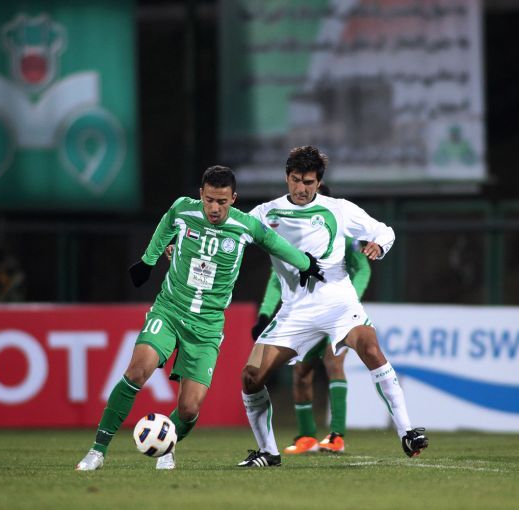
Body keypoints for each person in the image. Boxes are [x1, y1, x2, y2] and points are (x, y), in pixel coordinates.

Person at [75, 165, 324, 471]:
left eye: (222, 201)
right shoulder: (184, 209)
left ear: (233, 199)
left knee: (189, 408)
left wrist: (305, 264)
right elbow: (166, 224)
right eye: (209, 200)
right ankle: (97, 451)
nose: (214, 208)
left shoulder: (245, 226)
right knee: (137, 371)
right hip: (170, 310)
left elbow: (275, 243)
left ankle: (167, 445)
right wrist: (148, 261)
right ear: (201, 194)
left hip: (207, 326)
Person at [238, 146, 428, 468]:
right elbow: (230, 235)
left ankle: (407, 432)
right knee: (250, 376)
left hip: (338, 303)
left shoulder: (338, 209)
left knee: (370, 347)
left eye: (308, 182)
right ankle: (268, 452)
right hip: (294, 311)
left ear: (318, 181)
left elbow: (385, 231)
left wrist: (378, 244)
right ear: (286, 177)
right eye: (295, 179)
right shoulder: (265, 213)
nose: (301, 188)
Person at [251, 184, 371, 455]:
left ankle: (337, 436)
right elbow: (277, 279)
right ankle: (307, 437)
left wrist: (349, 303)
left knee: (333, 362)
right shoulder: (290, 236)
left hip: (336, 311)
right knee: (301, 371)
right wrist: (264, 314)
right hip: (304, 313)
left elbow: (362, 268)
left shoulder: (341, 232)